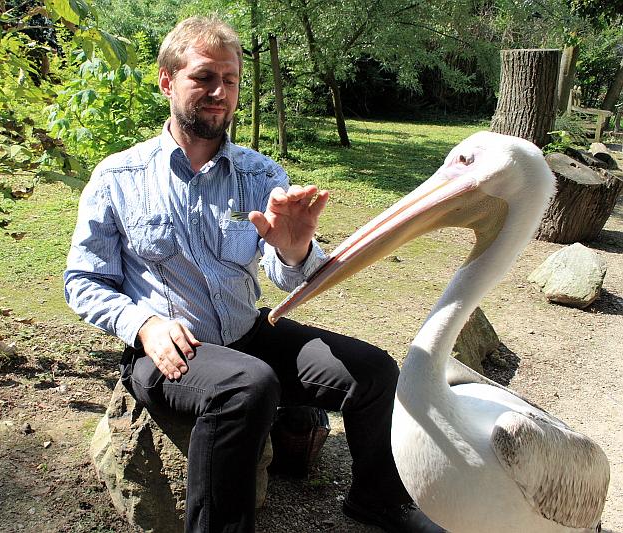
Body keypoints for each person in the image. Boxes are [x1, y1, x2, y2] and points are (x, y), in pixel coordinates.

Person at [64, 15, 444, 533]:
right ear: (166, 80)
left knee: (373, 371)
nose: (219, 92)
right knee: (247, 385)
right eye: (203, 77)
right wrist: (143, 325)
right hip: (169, 353)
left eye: (231, 80)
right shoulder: (118, 178)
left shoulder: (261, 174)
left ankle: (378, 499)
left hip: (250, 334)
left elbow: (288, 277)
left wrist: (295, 252)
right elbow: (83, 280)